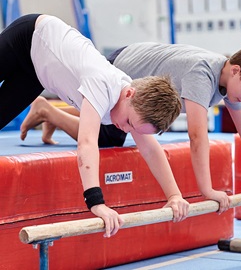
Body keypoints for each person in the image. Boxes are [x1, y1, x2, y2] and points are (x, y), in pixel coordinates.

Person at [21, 41, 241, 212]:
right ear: (236, 70)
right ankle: (49, 112)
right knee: (105, 137)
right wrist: (207, 191)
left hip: (133, 61)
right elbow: (197, 135)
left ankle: (51, 112)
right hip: (121, 68)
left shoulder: (230, 83)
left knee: (106, 129)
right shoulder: (203, 74)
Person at [0, 16, 189, 238]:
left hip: (36, 71)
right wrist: (96, 202)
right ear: (129, 93)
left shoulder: (132, 105)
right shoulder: (102, 84)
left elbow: (151, 150)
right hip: (29, 37)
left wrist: (174, 195)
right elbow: (87, 142)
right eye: (129, 123)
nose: (127, 131)